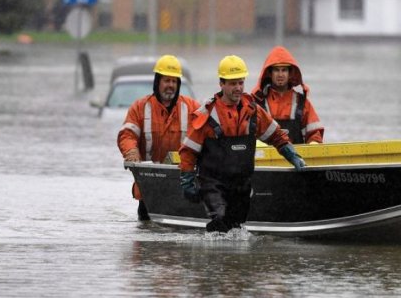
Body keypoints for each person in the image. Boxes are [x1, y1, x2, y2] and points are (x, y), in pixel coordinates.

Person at [178, 55, 306, 233]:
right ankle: (210, 257)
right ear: (221, 84)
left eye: (241, 83)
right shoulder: (206, 115)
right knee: (220, 220)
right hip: (212, 183)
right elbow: (188, 151)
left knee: (236, 228)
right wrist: (187, 181)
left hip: (241, 184)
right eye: (232, 84)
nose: (238, 88)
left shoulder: (253, 111)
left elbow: (276, 136)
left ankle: (230, 259)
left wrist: (292, 155)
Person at [118, 55, 200, 221]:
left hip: (183, 188)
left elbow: (207, 134)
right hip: (150, 191)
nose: (170, 85)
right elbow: (127, 134)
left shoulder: (192, 108)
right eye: (166, 80)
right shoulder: (139, 107)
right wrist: (131, 151)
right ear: (157, 82)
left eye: (174, 81)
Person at [251, 46, 324, 144]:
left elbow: (315, 133)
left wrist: (314, 143)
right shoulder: (257, 103)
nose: (280, 74)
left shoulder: (302, 103)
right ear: (270, 73)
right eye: (276, 70)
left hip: (296, 158)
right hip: (266, 157)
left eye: (284, 70)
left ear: (290, 73)